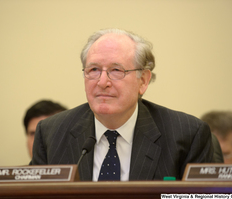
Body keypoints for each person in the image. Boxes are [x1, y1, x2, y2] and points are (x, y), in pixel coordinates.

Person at [30, 28, 214, 181]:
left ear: (143, 80)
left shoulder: (187, 136)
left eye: (116, 70)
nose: (102, 82)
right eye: (93, 70)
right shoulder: (51, 133)